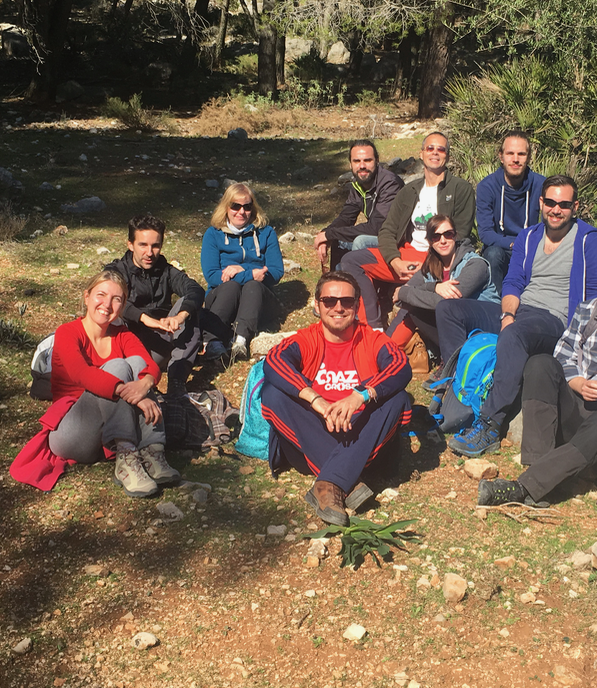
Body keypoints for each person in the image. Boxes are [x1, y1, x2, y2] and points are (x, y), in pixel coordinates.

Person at [477, 243, 597, 507]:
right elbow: (564, 351)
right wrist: (577, 382)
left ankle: (529, 487)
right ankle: (538, 469)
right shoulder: (590, 310)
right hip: (579, 403)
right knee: (540, 364)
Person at [439, 175, 597, 457]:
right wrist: (507, 315)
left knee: (515, 334)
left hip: (555, 319)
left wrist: (580, 341)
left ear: (575, 206)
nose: (556, 209)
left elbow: (593, 294)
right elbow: (514, 282)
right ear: (541, 202)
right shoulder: (528, 237)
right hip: (520, 310)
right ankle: (458, 393)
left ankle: (491, 424)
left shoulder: (588, 239)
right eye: (551, 202)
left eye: (564, 204)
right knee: (450, 310)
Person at [261, 272, 413, 526]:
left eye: (347, 301)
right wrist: (315, 399)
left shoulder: (373, 340)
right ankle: (348, 479)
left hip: (364, 436)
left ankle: (329, 483)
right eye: (329, 301)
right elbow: (273, 361)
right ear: (317, 304)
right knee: (272, 392)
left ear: (357, 304)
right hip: (314, 433)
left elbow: (401, 367)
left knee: (397, 397)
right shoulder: (306, 339)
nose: (338, 307)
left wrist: (360, 395)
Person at [18, 269, 178, 498]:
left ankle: (153, 452)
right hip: (72, 433)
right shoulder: (68, 332)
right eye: (100, 295)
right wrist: (130, 392)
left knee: (136, 364)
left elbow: (149, 365)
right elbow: (82, 373)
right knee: (118, 367)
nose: (107, 304)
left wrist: (145, 385)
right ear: (87, 297)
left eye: (117, 299)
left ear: (122, 306)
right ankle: (126, 460)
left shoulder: (122, 334)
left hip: (104, 433)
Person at [338, 131, 475, 330]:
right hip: (406, 256)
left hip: (436, 261)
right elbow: (387, 231)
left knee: (406, 318)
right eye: (430, 148)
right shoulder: (409, 191)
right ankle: (373, 326)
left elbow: (460, 234)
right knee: (351, 260)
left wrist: (430, 265)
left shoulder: (460, 189)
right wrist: (396, 261)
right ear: (421, 154)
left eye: (441, 149)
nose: (435, 153)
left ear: (447, 155)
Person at [105, 214, 205, 394]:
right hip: (128, 346)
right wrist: (144, 319)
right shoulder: (117, 271)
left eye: (155, 246)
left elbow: (195, 289)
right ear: (130, 244)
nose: (149, 253)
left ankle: (176, 381)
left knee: (189, 305)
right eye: (142, 245)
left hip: (162, 339)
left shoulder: (165, 270)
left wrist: (181, 316)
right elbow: (111, 300)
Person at [387, 214, 499, 360]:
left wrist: (405, 292)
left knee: (444, 307)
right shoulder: (431, 266)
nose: (443, 240)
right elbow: (401, 297)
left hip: (488, 323)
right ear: (429, 241)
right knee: (416, 309)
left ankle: (453, 362)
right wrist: (434, 287)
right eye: (436, 236)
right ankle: (453, 358)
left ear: (455, 235)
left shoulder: (475, 264)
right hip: (460, 325)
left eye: (448, 234)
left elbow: (450, 302)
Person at [200, 182, 285, 361]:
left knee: (253, 285)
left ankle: (240, 340)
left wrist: (243, 270)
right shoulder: (213, 234)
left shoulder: (266, 233)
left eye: (247, 207)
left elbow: (276, 271)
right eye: (235, 206)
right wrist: (250, 273)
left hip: (257, 299)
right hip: (224, 296)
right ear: (226, 207)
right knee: (230, 286)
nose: (241, 212)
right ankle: (212, 340)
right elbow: (212, 275)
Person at [313, 139, 405, 271]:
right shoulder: (358, 184)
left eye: (367, 160)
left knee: (361, 241)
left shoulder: (390, 184)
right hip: (380, 236)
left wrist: (331, 233)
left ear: (377, 161)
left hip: (396, 240)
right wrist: (326, 235)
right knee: (339, 240)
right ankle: (337, 282)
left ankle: (361, 287)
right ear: (350, 164)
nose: (362, 166)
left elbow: (377, 227)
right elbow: (346, 217)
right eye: (356, 161)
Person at [476, 131, 544, 295]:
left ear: (528, 157)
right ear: (501, 156)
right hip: (501, 248)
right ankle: (498, 304)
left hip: (532, 248)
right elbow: (485, 233)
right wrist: (514, 244)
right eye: (510, 153)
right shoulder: (487, 186)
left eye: (521, 154)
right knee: (492, 254)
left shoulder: (542, 185)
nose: (515, 159)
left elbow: (550, 224)